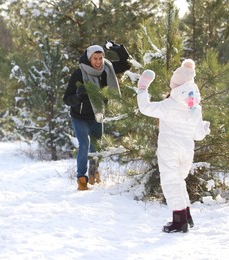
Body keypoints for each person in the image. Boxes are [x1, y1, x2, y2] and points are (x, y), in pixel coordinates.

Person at [136, 59, 211, 233]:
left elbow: (145, 108)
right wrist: (205, 129)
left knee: (171, 182)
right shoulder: (195, 108)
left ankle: (179, 222)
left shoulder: (169, 104)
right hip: (187, 150)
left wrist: (142, 90)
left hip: (170, 149)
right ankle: (187, 216)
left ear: (175, 86)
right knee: (179, 181)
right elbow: (198, 135)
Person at [63, 42, 131, 190]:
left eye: (101, 58)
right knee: (84, 145)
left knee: (96, 146)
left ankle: (94, 172)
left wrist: (120, 50)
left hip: (97, 115)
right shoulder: (79, 74)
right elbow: (67, 99)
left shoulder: (107, 69)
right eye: (95, 58)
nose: (99, 62)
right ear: (89, 58)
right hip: (79, 117)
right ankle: (82, 178)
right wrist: (78, 96)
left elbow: (127, 64)